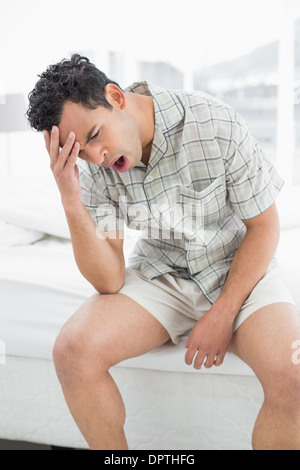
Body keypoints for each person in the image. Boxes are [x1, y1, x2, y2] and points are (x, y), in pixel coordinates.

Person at [27, 54, 300, 450]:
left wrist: (223, 313)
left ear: (115, 97)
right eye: (80, 152)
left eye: (95, 136)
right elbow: (109, 279)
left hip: (238, 268)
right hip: (162, 272)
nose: (97, 156)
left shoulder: (214, 123)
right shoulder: (95, 166)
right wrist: (71, 199)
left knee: (294, 375)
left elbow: (264, 228)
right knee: (72, 351)